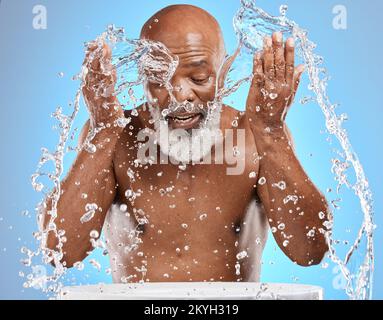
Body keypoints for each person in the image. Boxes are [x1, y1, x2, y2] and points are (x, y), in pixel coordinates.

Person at [43, 4, 331, 283]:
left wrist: (271, 131)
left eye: (199, 78)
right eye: (159, 79)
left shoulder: (255, 136)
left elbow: (311, 251)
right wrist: (103, 132)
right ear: (141, 76)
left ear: (224, 70)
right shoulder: (115, 136)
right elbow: (58, 251)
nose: (180, 95)